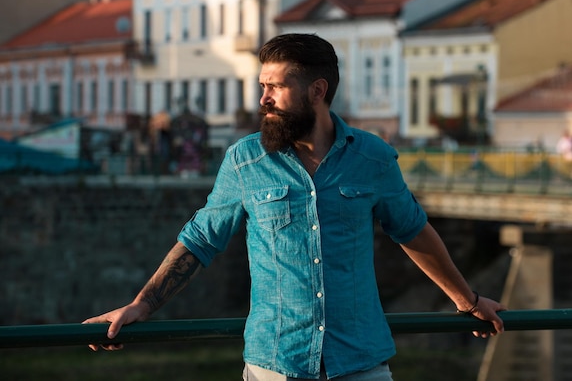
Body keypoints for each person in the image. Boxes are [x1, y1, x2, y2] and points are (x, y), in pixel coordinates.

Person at [83, 33, 505, 380]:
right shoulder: (245, 161)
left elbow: (413, 231)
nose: (263, 99)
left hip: (361, 364)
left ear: (317, 91)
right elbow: (200, 240)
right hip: (276, 365)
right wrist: (142, 304)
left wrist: (467, 301)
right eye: (262, 86)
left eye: (276, 87)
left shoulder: (373, 158)